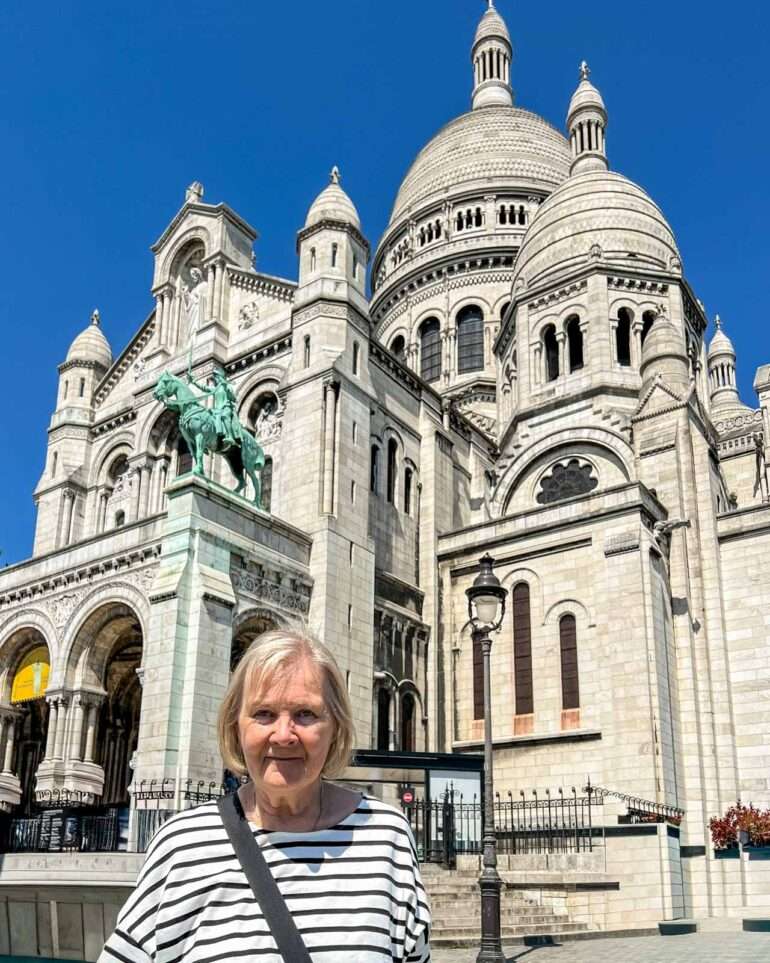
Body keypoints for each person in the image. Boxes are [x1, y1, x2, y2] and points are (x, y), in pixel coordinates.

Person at [100, 629, 431, 962]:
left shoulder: (386, 836)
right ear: (235, 727)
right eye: (263, 714)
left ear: (335, 728)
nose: (284, 735)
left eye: (306, 714)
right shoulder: (182, 844)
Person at [189, 368, 242, 449]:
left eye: (217, 377)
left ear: (220, 377)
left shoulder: (227, 386)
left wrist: (227, 391)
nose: (216, 379)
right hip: (217, 410)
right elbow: (204, 388)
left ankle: (230, 436)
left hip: (226, 407)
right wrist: (194, 382)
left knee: (224, 416)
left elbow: (233, 398)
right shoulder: (215, 389)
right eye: (215, 378)